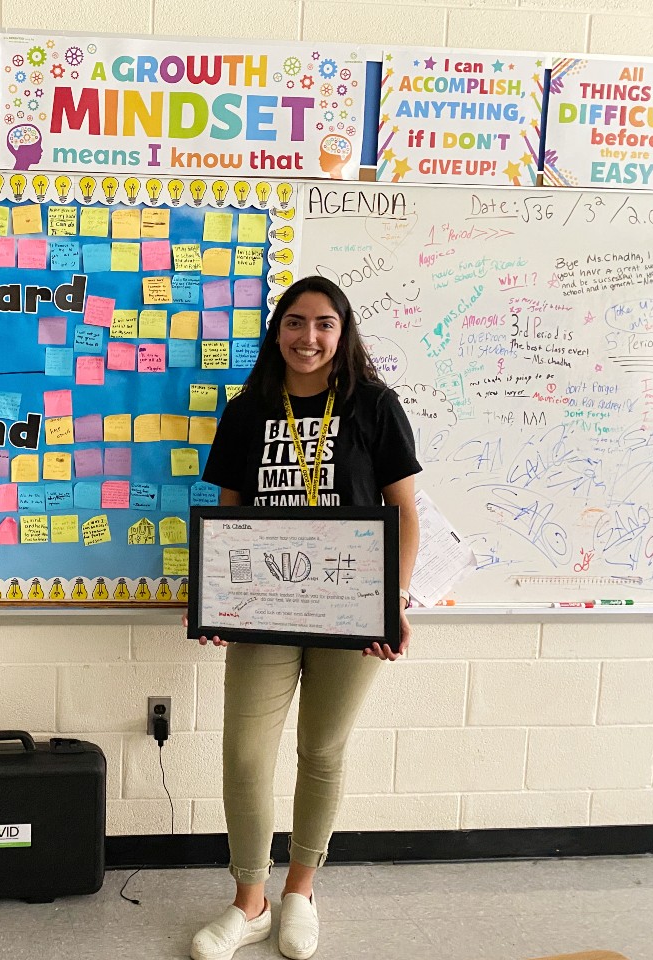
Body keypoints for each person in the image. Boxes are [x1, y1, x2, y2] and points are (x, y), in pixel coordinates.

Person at [189, 275, 421, 960]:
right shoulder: (248, 409)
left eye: (324, 324)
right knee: (245, 754)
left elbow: (405, 512)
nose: (308, 337)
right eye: (295, 322)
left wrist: (393, 604)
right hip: (263, 607)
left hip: (350, 611)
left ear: (342, 332)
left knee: (321, 752)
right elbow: (229, 513)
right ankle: (249, 903)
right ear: (277, 329)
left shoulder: (375, 406)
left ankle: (300, 891)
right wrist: (213, 596)